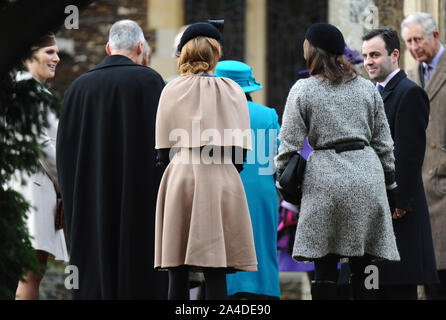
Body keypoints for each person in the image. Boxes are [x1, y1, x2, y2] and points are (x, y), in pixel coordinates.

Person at [275, 23, 400, 300]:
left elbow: (289, 145)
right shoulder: (367, 89)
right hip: (367, 176)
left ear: (311, 51)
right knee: (366, 263)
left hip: (325, 181)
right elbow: (384, 145)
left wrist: (283, 180)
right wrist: (390, 186)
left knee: (325, 261)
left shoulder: (304, 89)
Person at [56, 19, 168, 299]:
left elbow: (65, 153)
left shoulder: (78, 88)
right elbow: (165, 147)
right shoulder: (151, 82)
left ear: (108, 47)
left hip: (90, 201)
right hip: (139, 203)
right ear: (141, 47)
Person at [154, 22, 257, 300]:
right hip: (222, 175)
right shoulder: (233, 90)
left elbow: (162, 154)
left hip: (181, 175)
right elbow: (240, 156)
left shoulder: (170, 90)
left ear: (185, 53)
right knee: (216, 268)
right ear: (215, 55)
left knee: (177, 269)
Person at [362, 27, 439, 300]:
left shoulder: (409, 93)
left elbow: (408, 152)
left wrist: (399, 202)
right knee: (375, 285)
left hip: (398, 208)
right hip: (376, 206)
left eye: (375, 55)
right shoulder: (372, 93)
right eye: (365, 56)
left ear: (394, 55)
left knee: (397, 288)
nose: (368, 61)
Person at [215, 60, 281, 300]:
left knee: (224, 251)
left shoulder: (211, 116)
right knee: (261, 251)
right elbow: (277, 158)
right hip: (261, 191)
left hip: (223, 190)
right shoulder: (267, 115)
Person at [13, 33, 69, 300]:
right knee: (31, 273)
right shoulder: (27, 91)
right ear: (29, 55)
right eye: (49, 52)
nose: (56, 58)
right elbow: (43, 145)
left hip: (30, 188)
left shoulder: (26, 89)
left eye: (57, 52)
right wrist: (66, 184)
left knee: (33, 272)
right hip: (33, 191)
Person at [401, 12, 446, 300]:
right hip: (420, 187)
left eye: (419, 39)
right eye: (409, 42)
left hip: (442, 182)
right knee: (428, 272)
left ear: (435, 36)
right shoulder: (411, 75)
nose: (414, 47)